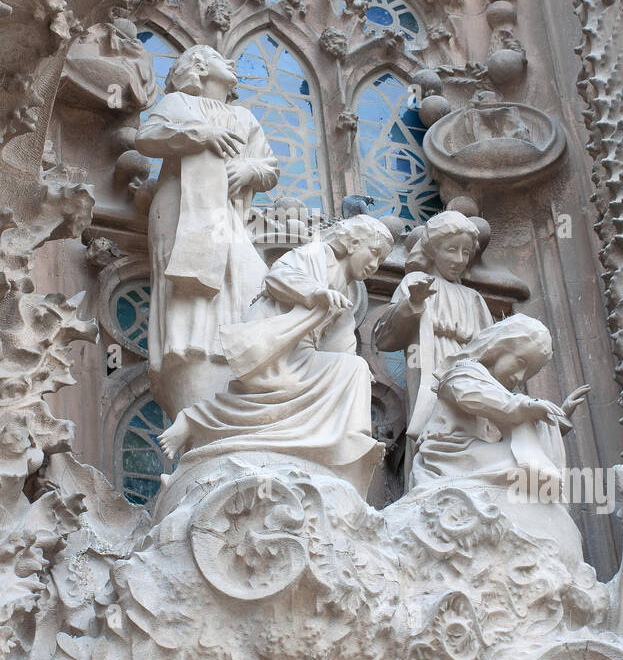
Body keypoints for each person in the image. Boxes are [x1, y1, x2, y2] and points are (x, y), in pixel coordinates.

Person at [158, 215, 393, 493]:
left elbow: (340, 340)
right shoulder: (315, 254)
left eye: (380, 261)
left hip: (303, 351)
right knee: (268, 393)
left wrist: (353, 368)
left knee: (353, 370)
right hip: (276, 344)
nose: (374, 265)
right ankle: (195, 419)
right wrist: (315, 292)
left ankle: (350, 442)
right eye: (373, 253)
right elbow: (278, 276)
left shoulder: (348, 289)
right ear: (352, 243)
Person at [135, 45, 279, 417]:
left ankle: (238, 363)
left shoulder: (244, 117)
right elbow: (147, 137)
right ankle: (192, 371)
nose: (229, 62)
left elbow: (268, 167)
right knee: (189, 293)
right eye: (218, 57)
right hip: (182, 210)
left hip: (229, 217)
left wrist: (248, 171)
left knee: (251, 285)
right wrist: (201, 135)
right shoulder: (179, 103)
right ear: (198, 67)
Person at [410, 313, 588, 493]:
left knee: (534, 469)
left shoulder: (508, 395)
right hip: (448, 453)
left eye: (528, 373)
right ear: (499, 347)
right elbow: (472, 397)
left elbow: (511, 418)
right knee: (523, 469)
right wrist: (524, 407)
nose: (520, 377)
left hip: (478, 451)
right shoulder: (463, 371)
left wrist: (555, 419)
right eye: (520, 362)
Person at [374, 211, 494, 443]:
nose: (459, 259)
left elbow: (492, 347)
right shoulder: (414, 282)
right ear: (432, 250)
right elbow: (384, 339)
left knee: (474, 434)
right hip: (429, 367)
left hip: (472, 373)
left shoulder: (474, 298)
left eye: (466, 252)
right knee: (434, 430)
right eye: (451, 250)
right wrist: (412, 304)